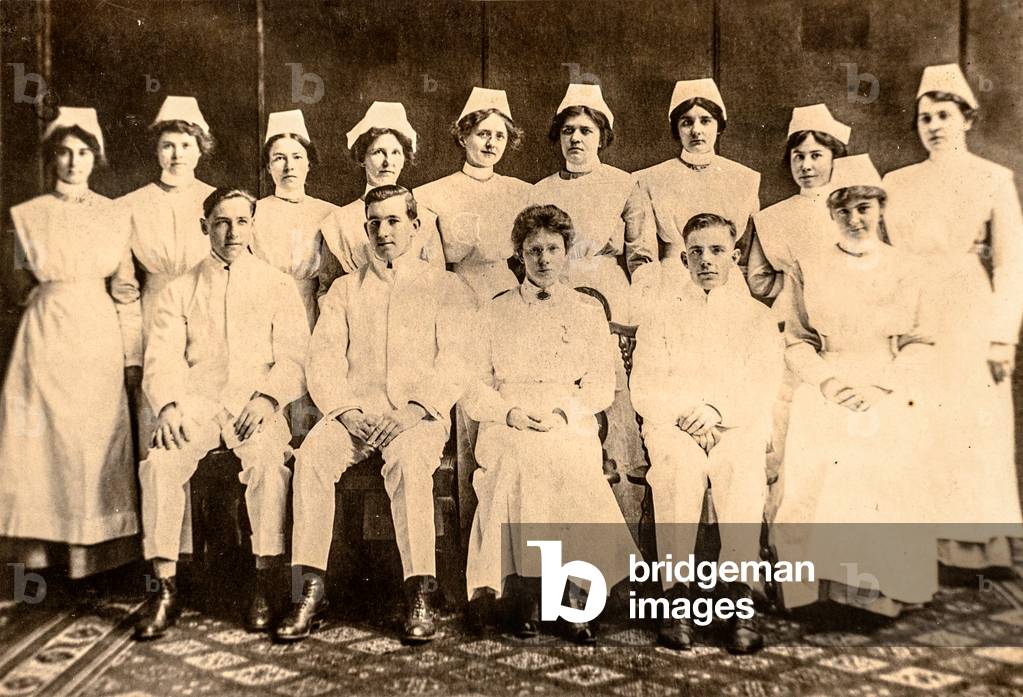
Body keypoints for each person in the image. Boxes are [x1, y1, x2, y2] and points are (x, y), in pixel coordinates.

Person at [278, 185, 473, 644]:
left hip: (416, 417)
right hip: (356, 416)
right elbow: (324, 359)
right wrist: (346, 412)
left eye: (393, 221)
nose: (383, 232)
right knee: (311, 457)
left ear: (415, 226)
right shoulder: (346, 289)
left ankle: (419, 590)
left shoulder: (444, 287)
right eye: (374, 223)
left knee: (408, 462)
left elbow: (458, 360)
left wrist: (413, 410)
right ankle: (310, 590)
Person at [132, 188, 309, 640]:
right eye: (222, 222)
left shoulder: (276, 284)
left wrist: (268, 398)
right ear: (204, 226)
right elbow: (162, 357)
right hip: (197, 405)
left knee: (268, 464)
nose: (232, 232)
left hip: (254, 405)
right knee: (160, 463)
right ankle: (165, 587)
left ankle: (265, 580)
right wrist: (169, 406)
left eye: (242, 221)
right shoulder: (180, 288)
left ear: (253, 226)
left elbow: (295, 358)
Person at [464, 204, 639, 645]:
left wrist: (565, 413)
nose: (543, 259)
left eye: (552, 249)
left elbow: (600, 385)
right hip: (509, 416)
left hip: (567, 413)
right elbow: (474, 386)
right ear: (519, 255)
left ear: (566, 252)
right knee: (519, 459)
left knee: (568, 461)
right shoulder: (494, 310)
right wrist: (509, 413)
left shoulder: (585, 309)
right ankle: (525, 594)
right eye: (534, 250)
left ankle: (575, 594)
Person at [773, 155, 938, 617]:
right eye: (843, 210)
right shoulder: (809, 265)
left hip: (885, 380)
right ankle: (813, 594)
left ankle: (877, 593)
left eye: (864, 208)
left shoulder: (905, 266)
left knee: (878, 461)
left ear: (880, 209)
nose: (854, 219)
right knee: (815, 460)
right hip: (828, 380)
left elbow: (921, 340)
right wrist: (827, 382)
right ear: (831, 214)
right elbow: (796, 340)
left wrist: (883, 387)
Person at [883, 64, 1023, 574]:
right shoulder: (897, 182)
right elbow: (887, 258)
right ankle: (928, 549)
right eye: (925, 118)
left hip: (969, 310)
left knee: (972, 421)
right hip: (915, 308)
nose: (934, 126)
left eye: (944, 115)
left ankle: (978, 550)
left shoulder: (993, 179)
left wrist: (1002, 338)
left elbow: (1011, 264)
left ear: (967, 118)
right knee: (920, 422)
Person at [631, 213, 782, 654]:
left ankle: (739, 598)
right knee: (678, 469)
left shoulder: (756, 318)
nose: (706, 260)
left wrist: (717, 411)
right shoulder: (660, 315)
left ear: (734, 256)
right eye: (695, 252)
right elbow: (646, 384)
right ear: (683, 259)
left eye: (717, 250)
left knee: (740, 466)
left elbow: (764, 383)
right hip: (675, 424)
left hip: (735, 421)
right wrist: (687, 415)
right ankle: (677, 598)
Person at [0, 108, 141, 579]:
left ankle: (90, 563)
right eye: (64, 152)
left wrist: (131, 356)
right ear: (52, 158)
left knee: (92, 440)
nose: (74, 161)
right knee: (40, 443)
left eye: (83, 152)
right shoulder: (29, 215)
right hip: (45, 334)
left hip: (96, 333)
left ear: (95, 159)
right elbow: (16, 283)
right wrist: (46, 300)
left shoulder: (114, 214)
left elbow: (125, 289)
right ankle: (40, 560)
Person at [528, 83, 651, 495]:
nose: (576, 139)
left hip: (611, 296)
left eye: (586, 130)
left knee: (613, 388)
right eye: (568, 131)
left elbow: (641, 254)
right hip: (556, 292)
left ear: (602, 136)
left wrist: (637, 310)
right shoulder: (540, 191)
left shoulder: (625, 184)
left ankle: (624, 503)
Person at [742, 104, 851, 518]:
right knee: (781, 424)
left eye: (816, 155)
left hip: (844, 332)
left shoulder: (850, 209)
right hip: (790, 333)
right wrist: (794, 292)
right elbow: (758, 281)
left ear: (835, 158)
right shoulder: (774, 217)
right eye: (798, 156)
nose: (806, 166)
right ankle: (776, 531)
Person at [116, 96, 218, 460]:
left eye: (186, 145)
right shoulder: (130, 205)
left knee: (209, 413)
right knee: (161, 418)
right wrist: (132, 354)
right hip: (154, 313)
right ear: (156, 150)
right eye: (168, 145)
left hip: (207, 312)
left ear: (200, 149)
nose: (177, 155)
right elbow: (125, 288)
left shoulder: (216, 200)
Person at [629, 78, 760, 315]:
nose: (696, 130)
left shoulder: (744, 178)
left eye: (705, 121)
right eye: (687, 122)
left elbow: (746, 250)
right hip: (671, 282)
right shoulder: (648, 179)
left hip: (727, 282)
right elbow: (643, 254)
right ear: (676, 129)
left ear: (718, 125)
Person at [252, 110, 338, 436]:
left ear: (309, 163)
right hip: (264, 314)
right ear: (268, 166)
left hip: (312, 310)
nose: (289, 166)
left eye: (297, 157)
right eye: (279, 158)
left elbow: (331, 278)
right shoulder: (254, 212)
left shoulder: (328, 213)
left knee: (311, 391)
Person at [415, 87, 531, 303]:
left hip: (508, 291)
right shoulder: (431, 194)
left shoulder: (521, 191)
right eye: (483, 134)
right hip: (455, 292)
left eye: (500, 136)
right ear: (463, 137)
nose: (491, 144)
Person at [317, 102, 444, 296]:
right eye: (378, 152)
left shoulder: (424, 218)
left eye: (395, 153)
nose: (388, 162)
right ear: (362, 158)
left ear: (404, 159)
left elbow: (438, 283)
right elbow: (326, 291)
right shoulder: (338, 222)